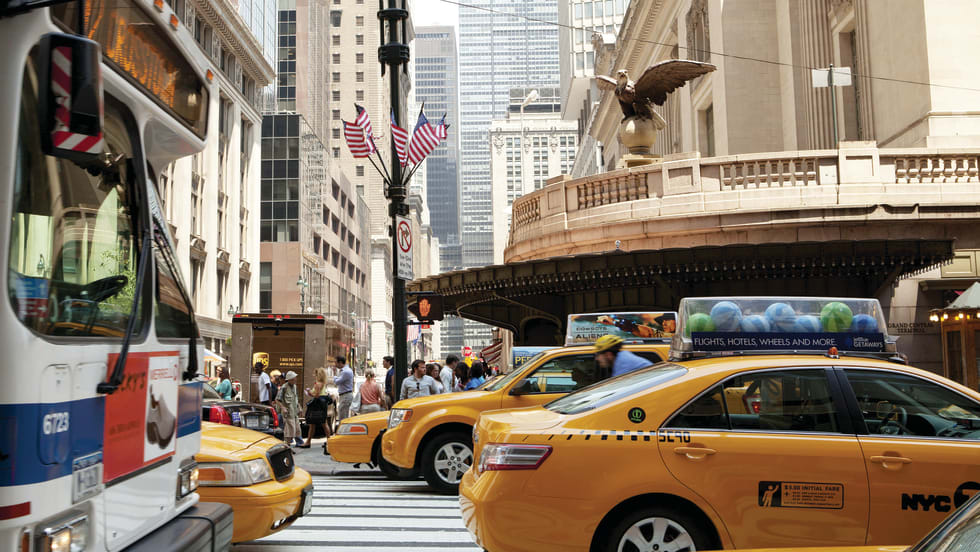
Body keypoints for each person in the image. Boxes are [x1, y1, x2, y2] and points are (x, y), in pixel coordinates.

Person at [302, 367, 332, 447]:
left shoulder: (318, 384)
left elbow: (317, 395)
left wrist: (309, 392)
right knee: (323, 423)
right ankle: (329, 441)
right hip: (322, 405)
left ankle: (308, 442)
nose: (314, 376)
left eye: (315, 375)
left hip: (317, 406)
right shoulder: (323, 384)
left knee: (313, 424)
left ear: (318, 375)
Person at [276, 371, 302, 447]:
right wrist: (283, 408)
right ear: (289, 379)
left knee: (297, 430)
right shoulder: (284, 387)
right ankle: (287, 445)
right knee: (289, 431)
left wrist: (299, 407)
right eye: (294, 378)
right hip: (288, 413)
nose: (295, 379)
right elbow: (277, 400)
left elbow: (296, 399)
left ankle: (292, 444)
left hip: (294, 413)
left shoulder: (295, 387)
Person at [334, 355, 355, 421]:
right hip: (345, 396)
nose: (335, 364)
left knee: (343, 417)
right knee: (343, 416)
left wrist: (335, 377)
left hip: (345, 396)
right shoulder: (346, 371)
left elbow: (337, 382)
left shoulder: (345, 372)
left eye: (336, 362)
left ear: (340, 362)